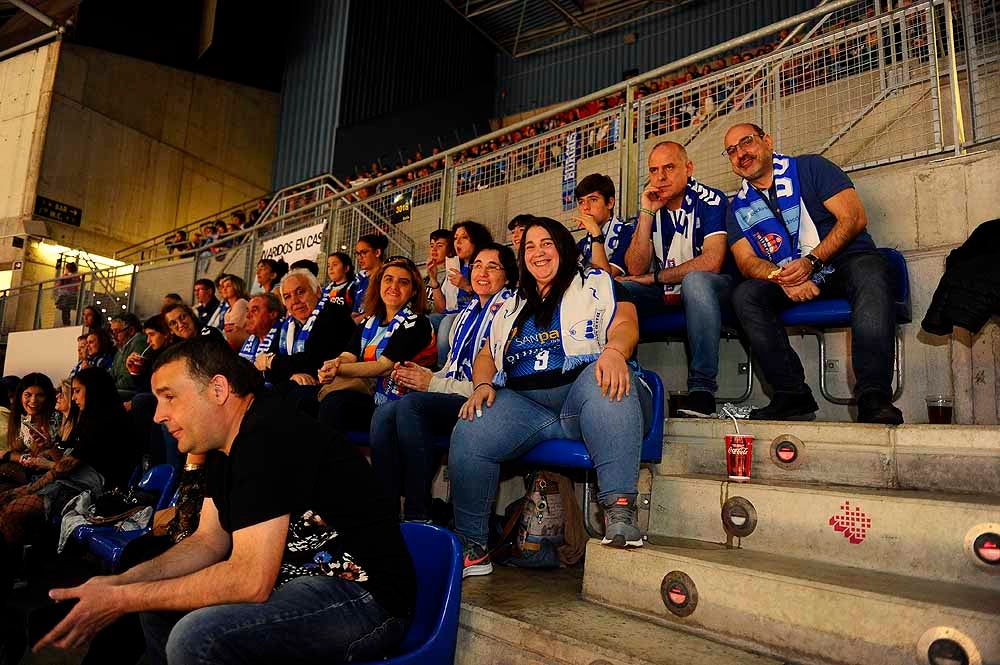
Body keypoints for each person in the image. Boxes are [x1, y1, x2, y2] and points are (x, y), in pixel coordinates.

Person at [35, 336, 416, 664]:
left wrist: (123, 599)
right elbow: (207, 541)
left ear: (218, 389)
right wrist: (119, 586)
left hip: (364, 599)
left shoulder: (269, 434)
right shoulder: (222, 445)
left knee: (199, 637)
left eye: (169, 397)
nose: (158, 415)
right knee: (157, 609)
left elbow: (250, 581)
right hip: (297, 587)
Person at [449, 217, 653, 577]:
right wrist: (482, 385)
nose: (537, 253)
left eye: (547, 244)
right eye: (529, 246)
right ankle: (472, 546)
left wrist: (615, 351)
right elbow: (486, 356)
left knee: (604, 375)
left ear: (564, 247)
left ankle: (620, 512)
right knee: (471, 426)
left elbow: (625, 324)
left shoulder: (595, 283)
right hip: (527, 407)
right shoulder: (509, 303)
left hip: (584, 396)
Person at [722, 123, 902, 423]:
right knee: (746, 295)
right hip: (789, 274)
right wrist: (782, 277)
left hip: (844, 262)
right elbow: (746, 261)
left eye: (747, 142)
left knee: (871, 269)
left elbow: (853, 218)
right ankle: (792, 395)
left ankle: (874, 395)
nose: (741, 153)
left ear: (767, 141)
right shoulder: (737, 207)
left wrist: (811, 264)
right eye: (732, 150)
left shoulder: (810, 167)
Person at [371, 243, 516, 522]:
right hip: (456, 394)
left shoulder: (510, 310)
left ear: (508, 277)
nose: (482, 273)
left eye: (492, 266)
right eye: (477, 266)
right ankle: (385, 512)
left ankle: (418, 512)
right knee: (385, 412)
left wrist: (432, 385)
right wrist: (423, 377)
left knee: (411, 406)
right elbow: (452, 370)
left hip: (490, 400)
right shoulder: (468, 312)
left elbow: (494, 380)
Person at [619, 141, 732, 417]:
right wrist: (646, 213)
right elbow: (634, 266)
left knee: (695, 281)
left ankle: (702, 391)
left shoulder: (711, 200)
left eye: (669, 167)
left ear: (688, 168)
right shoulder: (653, 205)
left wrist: (655, 277)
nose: (661, 177)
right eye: (654, 170)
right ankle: (623, 378)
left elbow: (712, 262)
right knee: (617, 289)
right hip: (668, 288)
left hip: (716, 287)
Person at [0, 368, 137, 551]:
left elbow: (65, 467)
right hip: (73, 481)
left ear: (94, 390)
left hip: (91, 489)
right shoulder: (91, 418)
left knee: (12, 511)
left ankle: (18, 572)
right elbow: (65, 461)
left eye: (78, 391)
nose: (74, 398)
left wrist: (27, 489)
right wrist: (50, 447)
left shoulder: (104, 421)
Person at [316, 257, 433, 434]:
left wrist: (338, 370)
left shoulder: (416, 322)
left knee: (335, 405)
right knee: (302, 396)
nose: (394, 286)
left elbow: (384, 367)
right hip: (368, 394)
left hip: (397, 403)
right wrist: (333, 364)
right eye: (388, 279)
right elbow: (349, 355)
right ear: (379, 285)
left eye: (403, 282)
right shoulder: (370, 321)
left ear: (414, 291)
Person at [255, 269, 355, 387]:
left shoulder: (333, 313)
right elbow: (264, 369)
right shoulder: (287, 326)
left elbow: (313, 361)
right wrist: (292, 376)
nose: (295, 301)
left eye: (300, 292)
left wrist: (271, 361)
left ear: (317, 292)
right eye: (287, 297)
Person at [0, 374, 60, 492]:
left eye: (40, 395)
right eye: (28, 395)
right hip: (27, 472)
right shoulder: (24, 419)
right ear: (20, 396)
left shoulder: (56, 419)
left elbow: (58, 461)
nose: (33, 400)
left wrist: (12, 456)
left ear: (48, 397)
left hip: (49, 477)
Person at [572, 174, 630, 277]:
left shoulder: (628, 232)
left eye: (593, 200)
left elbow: (605, 279)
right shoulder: (582, 244)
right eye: (581, 202)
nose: (585, 207)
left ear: (610, 203)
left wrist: (596, 234)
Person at [125, 315, 175, 394]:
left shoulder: (174, 356)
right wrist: (135, 372)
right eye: (147, 335)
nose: (148, 341)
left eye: (152, 334)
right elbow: (144, 388)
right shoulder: (153, 355)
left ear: (165, 333)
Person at [349, 233, 389, 323]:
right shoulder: (362, 280)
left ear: (377, 252)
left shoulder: (386, 277)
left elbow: (383, 309)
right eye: (358, 254)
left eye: (364, 252)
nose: (360, 258)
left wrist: (359, 319)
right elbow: (356, 312)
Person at [239, 293, 285, 364]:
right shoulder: (252, 339)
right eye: (248, 311)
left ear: (272, 314)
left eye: (254, 311)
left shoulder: (283, 338)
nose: (247, 316)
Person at [110, 314, 149, 396]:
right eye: (112, 331)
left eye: (117, 331)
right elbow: (112, 375)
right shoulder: (120, 349)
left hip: (135, 392)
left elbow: (129, 381)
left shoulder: (140, 342)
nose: (113, 336)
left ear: (131, 330)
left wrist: (108, 388)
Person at [55, 262, 81, 326]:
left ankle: (66, 324)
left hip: (64, 296)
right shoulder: (77, 277)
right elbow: (78, 286)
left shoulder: (65, 276)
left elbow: (58, 285)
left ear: (67, 268)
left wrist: (64, 275)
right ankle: (67, 323)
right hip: (73, 296)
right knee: (67, 310)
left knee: (65, 311)